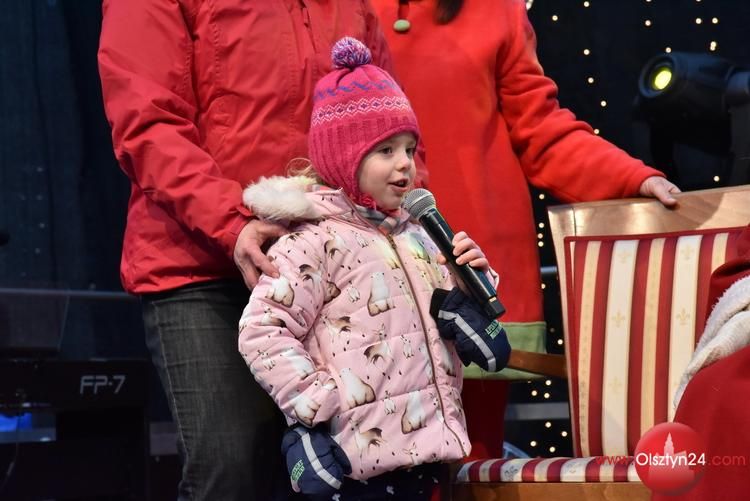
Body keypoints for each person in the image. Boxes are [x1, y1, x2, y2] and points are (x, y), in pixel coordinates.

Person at [97, 2, 401, 499]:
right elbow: (147, 123)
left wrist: (406, 236)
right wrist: (233, 223)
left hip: (332, 266)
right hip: (202, 266)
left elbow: (388, 123)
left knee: (347, 470)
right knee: (232, 470)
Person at [370, 0, 681, 458]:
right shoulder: (336, 9)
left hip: (469, 267)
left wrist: (631, 177)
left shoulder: (495, 10)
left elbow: (541, 129)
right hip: (367, 266)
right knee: (372, 458)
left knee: (471, 460)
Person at [237, 38, 510, 500]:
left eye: (409, 148)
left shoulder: (421, 235)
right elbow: (262, 330)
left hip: (427, 457)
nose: (405, 164)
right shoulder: (313, 240)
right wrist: (317, 401)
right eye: (386, 150)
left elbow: (446, 314)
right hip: (355, 463)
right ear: (346, 157)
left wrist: (469, 280)